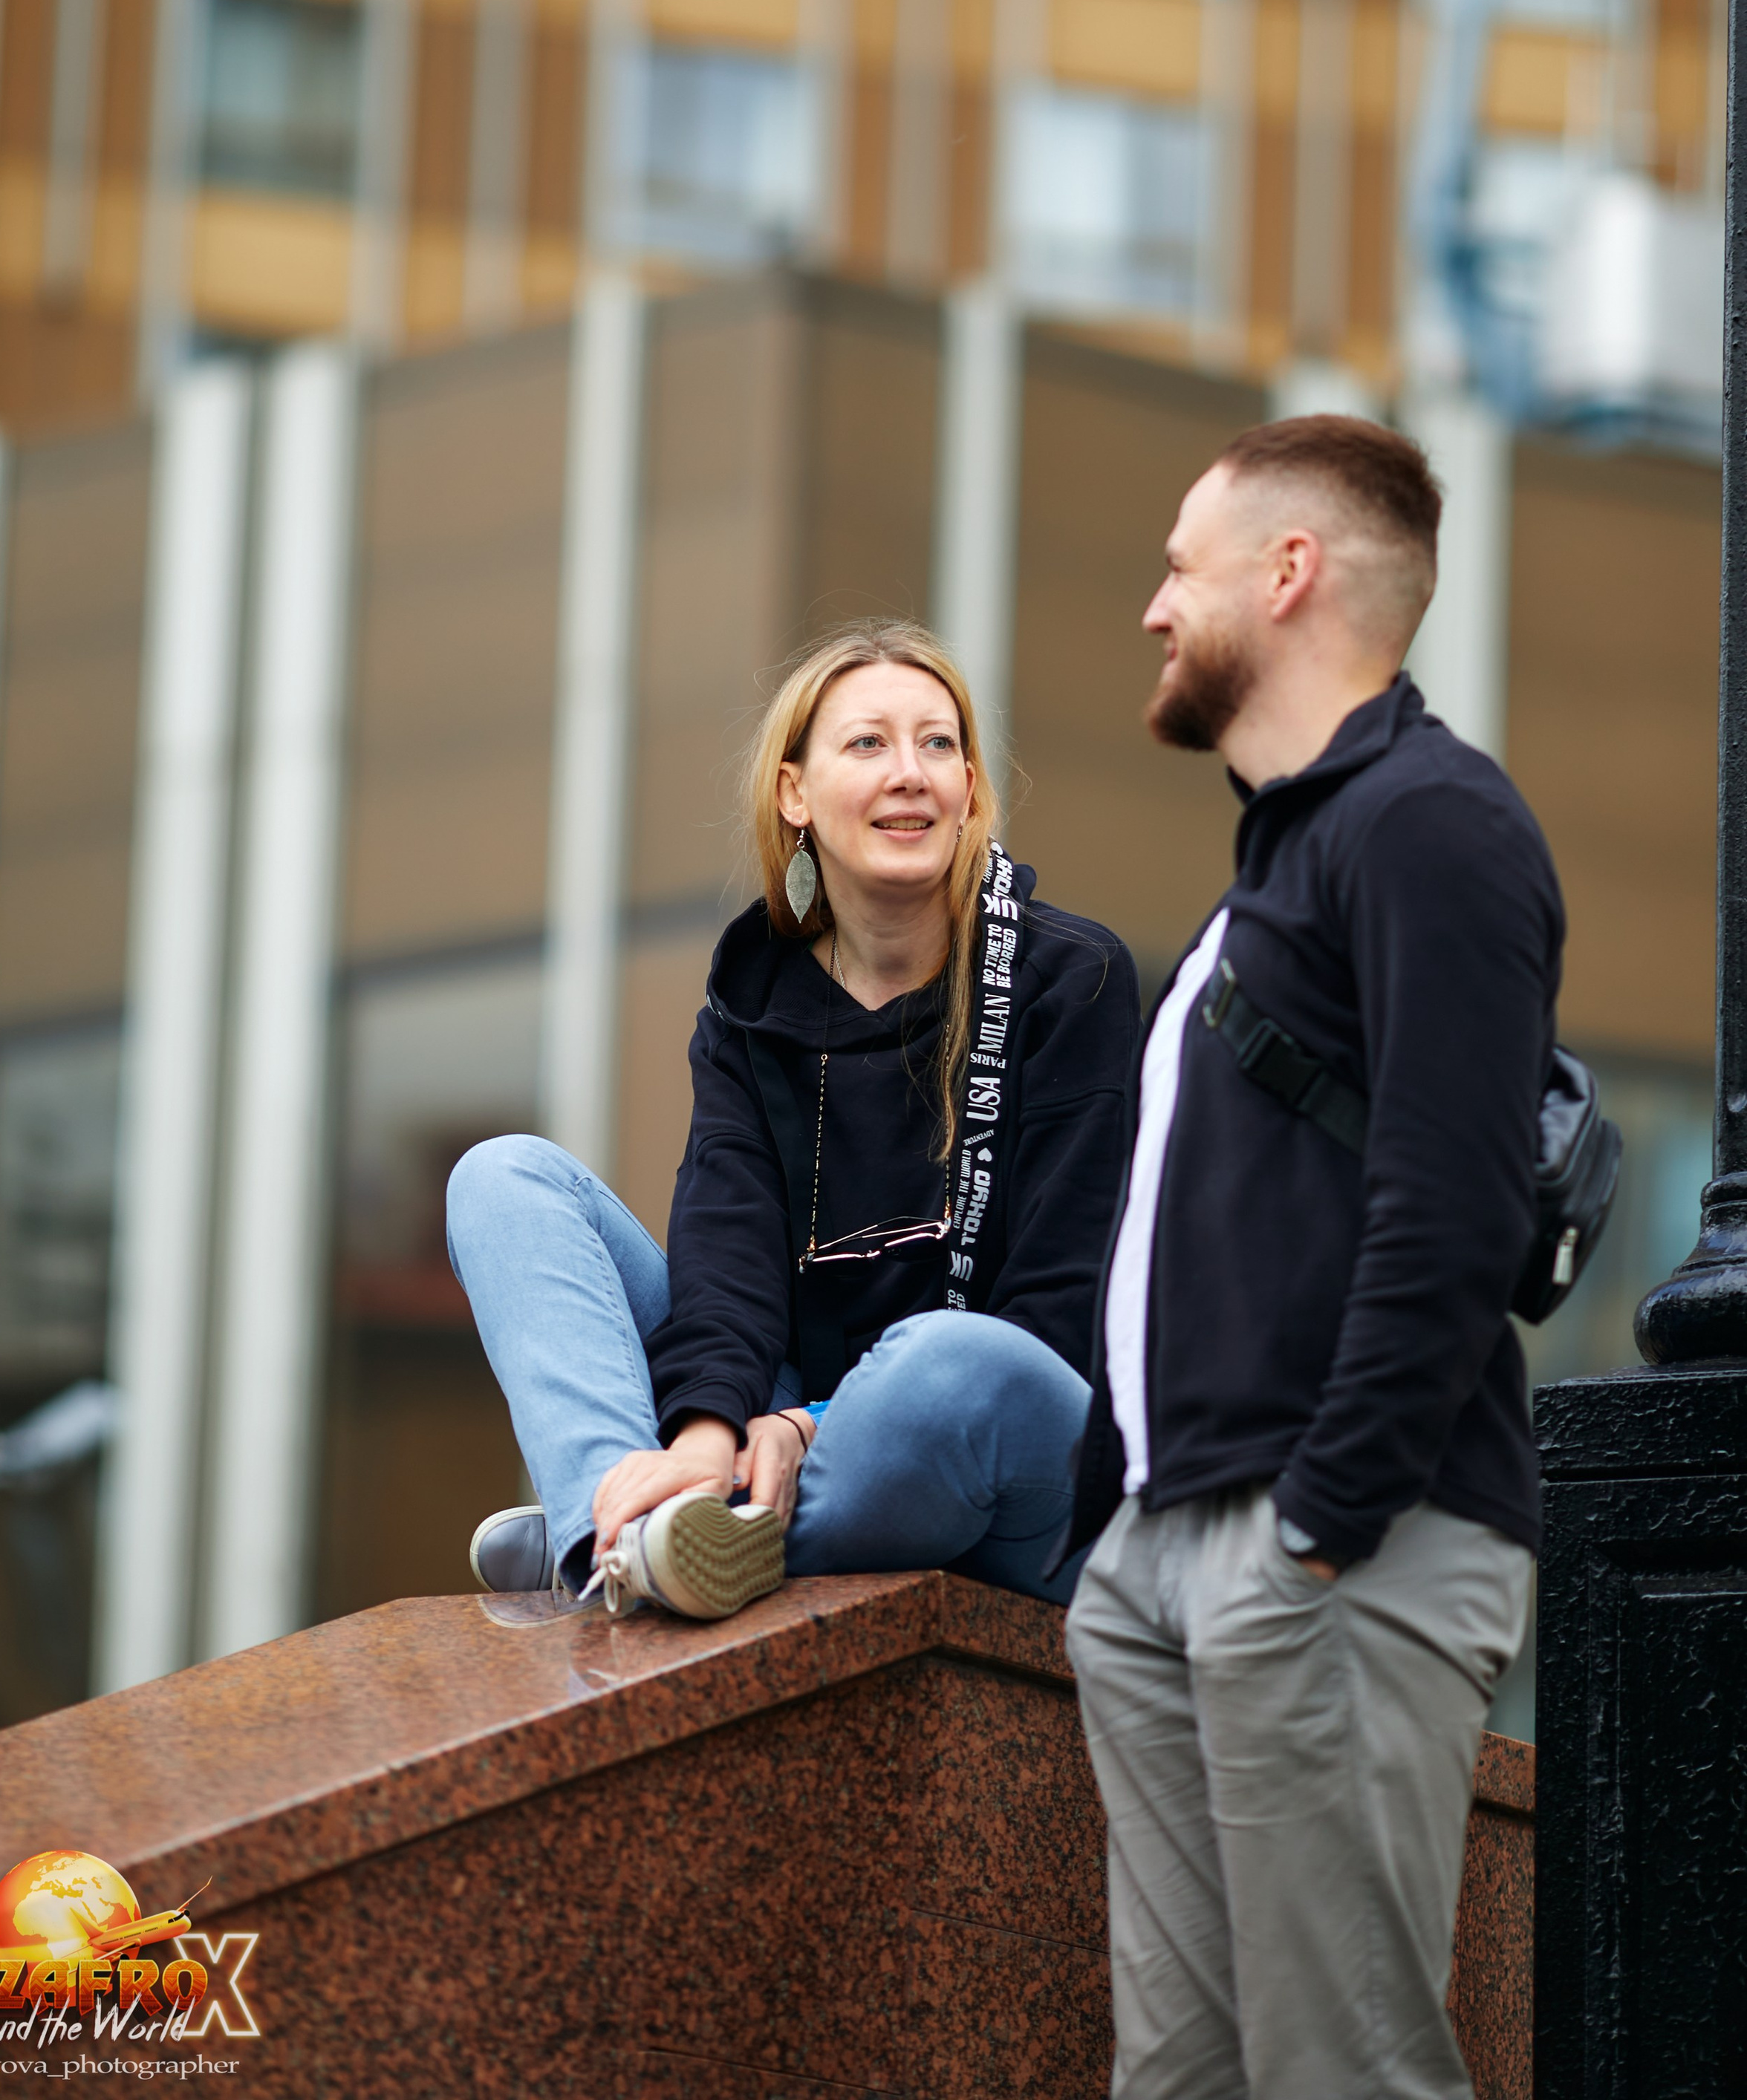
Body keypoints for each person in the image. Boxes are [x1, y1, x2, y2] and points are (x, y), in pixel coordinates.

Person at [1064, 416, 1554, 2100]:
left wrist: (1316, 1528)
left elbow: (1454, 1207)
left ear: (1287, 576)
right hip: (1172, 1551)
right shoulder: (1261, 876)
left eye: (1176, 569)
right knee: (1184, 2083)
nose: (1150, 609)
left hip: (1338, 1542)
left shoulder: (1432, 825)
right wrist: (1121, 1533)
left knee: (1341, 2076)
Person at [448, 619, 1139, 1623]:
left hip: (1006, 1454)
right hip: (790, 1428)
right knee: (504, 1180)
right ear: (795, 794)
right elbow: (725, 1258)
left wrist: (807, 1425)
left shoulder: (1072, 978)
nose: (912, 774)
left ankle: (619, 1542)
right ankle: (631, 1513)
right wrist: (705, 1427)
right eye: (868, 744)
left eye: (938, 744)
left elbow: (1063, 1309)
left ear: (970, 789)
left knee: (952, 1360)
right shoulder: (753, 1003)